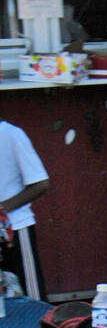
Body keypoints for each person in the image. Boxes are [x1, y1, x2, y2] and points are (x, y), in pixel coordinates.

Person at [0, 118, 49, 299]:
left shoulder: (12, 135)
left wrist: (2, 209)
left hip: (17, 228)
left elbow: (40, 183)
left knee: (32, 299)